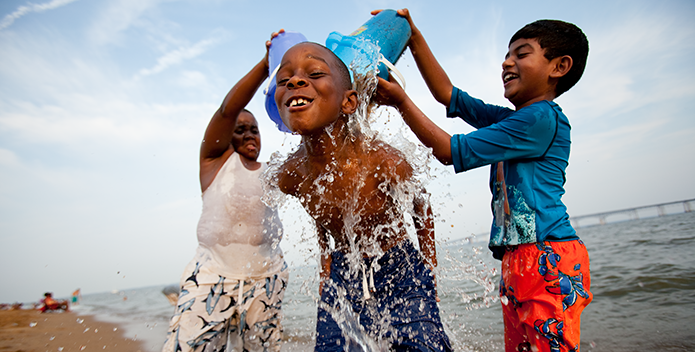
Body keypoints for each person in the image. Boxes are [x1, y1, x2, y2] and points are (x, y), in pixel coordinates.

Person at [374, 9, 592, 352]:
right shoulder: (512, 120)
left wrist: (401, 101)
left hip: (547, 254)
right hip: (518, 257)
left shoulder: (540, 119)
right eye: (506, 55)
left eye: (521, 54)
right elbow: (447, 94)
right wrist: (413, 36)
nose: (507, 63)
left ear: (559, 67)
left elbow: (448, 150)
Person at [272, 41, 451, 351]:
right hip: (343, 273)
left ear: (349, 102)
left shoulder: (383, 160)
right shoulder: (290, 175)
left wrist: (428, 267)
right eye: (283, 79)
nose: (295, 82)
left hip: (400, 266)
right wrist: (326, 262)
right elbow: (321, 214)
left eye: (314, 73)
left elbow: (421, 206)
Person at [162, 31, 288, 352]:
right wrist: (265, 66)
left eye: (255, 129)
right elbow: (226, 111)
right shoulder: (215, 162)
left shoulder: (274, 170)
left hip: (266, 279)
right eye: (240, 129)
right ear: (226, 136)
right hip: (212, 275)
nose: (248, 134)